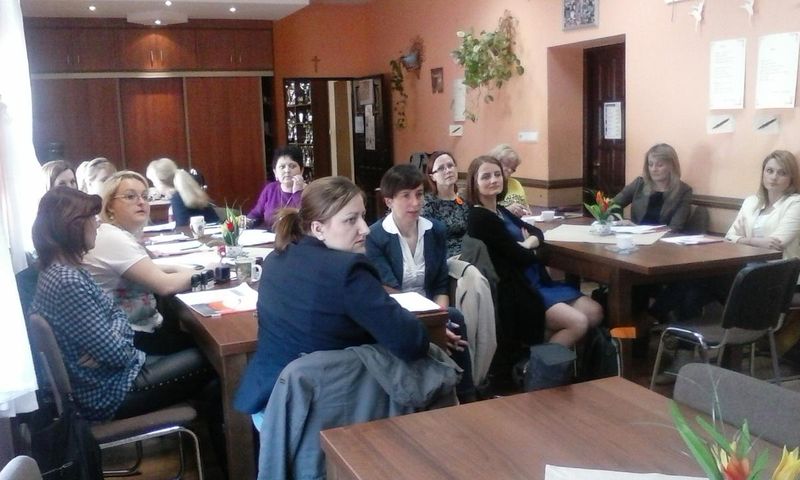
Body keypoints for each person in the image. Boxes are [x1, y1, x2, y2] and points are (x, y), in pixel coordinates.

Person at [234, 176, 431, 416]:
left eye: (363, 216)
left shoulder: (275, 258)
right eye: (351, 220)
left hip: (267, 400)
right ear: (318, 228)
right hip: (319, 410)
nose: (365, 228)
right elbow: (412, 342)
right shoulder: (348, 271)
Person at [29, 187, 213, 421]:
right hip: (110, 392)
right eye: (92, 219)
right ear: (73, 227)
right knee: (210, 358)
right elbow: (119, 353)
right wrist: (114, 332)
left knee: (208, 369)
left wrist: (111, 332)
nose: (97, 225)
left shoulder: (65, 270)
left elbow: (116, 315)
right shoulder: (67, 280)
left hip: (110, 377)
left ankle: (209, 434)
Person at [466, 156, 603, 388]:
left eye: (497, 174)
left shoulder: (500, 210)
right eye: (486, 176)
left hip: (537, 280)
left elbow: (536, 233)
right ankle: (534, 370)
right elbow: (519, 257)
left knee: (595, 311)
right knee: (578, 323)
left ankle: (554, 355)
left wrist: (527, 243)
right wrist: (529, 248)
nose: (493, 180)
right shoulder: (479, 218)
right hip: (519, 290)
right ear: (474, 182)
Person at [366, 164, 475, 401]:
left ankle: (467, 395)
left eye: (419, 194)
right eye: (405, 196)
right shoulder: (375, 236)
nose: (415, 203)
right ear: (388, 201)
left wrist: (440, 319)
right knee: (451, 321)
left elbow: (440, 284)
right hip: (395, 311)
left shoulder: (435, 230)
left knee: (454, 319)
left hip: (431, 308)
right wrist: (431, 325)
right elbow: (390, 290)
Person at [82, 171, 199, 354]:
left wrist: (182, 268)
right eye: (130, 196)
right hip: (129, 341)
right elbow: (166, 286)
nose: (141, 202)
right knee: (208, 343)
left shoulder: (113, 233)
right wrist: (207, 273)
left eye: (145, 196)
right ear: (110, 206)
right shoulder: (113, 238)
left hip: (133, 330)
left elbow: (147, 269)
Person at [725, 150, 800, 257]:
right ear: (763, 173)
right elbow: (729, 237)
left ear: (791, 178)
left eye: (782, 173)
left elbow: (775, 244)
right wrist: (754, 241)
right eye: (770, 171)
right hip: (747, 261)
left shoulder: (796, 203)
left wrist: (741, 240)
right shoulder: (751, 202)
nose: (774, 177)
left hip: (780, 264)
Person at [612, 143, 693, 231]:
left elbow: (675, 228)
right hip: (634, 236)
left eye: (660, 165)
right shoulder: (639, 184)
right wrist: (615, 221)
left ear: (672, 166)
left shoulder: (683, 191)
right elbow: (612, 206)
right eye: (650, 164)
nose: (654, 169)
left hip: (661, 239)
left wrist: (638, 229)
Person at [421, 151, 470, 258]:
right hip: (444, 258)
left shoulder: (464, 202)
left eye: (450, 165)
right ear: (432, 177)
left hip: (469, 253)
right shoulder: (427, 204)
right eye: (441, 168)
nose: (448, 170)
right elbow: (427, 242)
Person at [146, 157, 219, 226]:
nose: (154, 185)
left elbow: (182, 227)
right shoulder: (187, 192)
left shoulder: (177, 198)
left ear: (162, 181)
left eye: (153, 181)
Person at [247, 146, 306, 230]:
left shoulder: (310, 191)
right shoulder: (270, 189)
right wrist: (243, 224)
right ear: (275, 172)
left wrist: (298, 193)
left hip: (298, 237)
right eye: (282, 167)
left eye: (292, 166)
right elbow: (255, 214)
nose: (287, 170)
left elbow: (307, 219)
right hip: (269, 236)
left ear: (301, 171)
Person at [488, 144, 531, 217]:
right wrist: (507, 211)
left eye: (513, 168)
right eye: (507, 165)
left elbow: (527, 208)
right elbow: (484, 215)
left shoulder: (516, 183)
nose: (510, 170)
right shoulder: (488, 185)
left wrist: (527, 213)